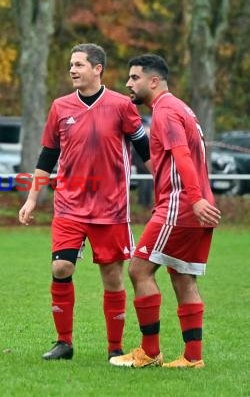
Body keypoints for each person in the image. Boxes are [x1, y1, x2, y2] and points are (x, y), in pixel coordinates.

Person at [18, 43, 152, 362]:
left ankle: (114, 348)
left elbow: (146, 151)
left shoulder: (121, 105)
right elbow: (47, 155)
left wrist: (169, 186)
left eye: (79, 64)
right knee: (61, 267)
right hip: (69, 206)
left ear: (97, 69)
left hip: (112, 208)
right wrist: (33, 197)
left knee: (112, 276)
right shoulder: (60, 107)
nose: (73, 70)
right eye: (70, 65)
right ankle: (63, 342)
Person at [110, 54, 220, 369]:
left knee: (138, 270)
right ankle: (192, 357)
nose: (129, 84)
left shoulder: (166, 111)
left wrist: (195, 198)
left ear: (153, 81)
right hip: (195, 206)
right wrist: (201, 199)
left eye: (134, 78)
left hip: (180, 205)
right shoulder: (181, 107)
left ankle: (149, 352)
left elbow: (182, 156)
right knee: (183, 277)